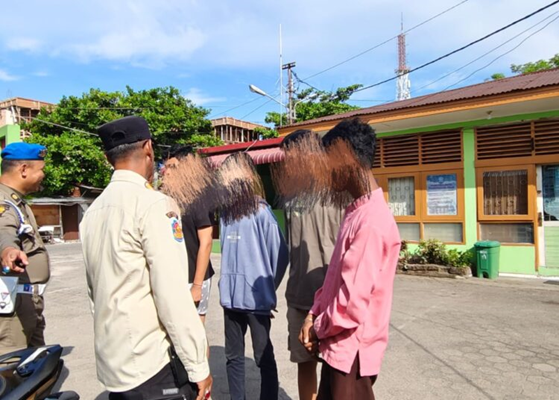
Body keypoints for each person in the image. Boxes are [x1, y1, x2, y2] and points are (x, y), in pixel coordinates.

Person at [80, 116, 212, 400]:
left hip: (114, 363)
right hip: (150, 363)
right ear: (148, 147)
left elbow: (95, 291)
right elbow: (172, 294)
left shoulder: (93, 212)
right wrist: (198, 365)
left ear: (107, 158)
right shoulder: (154, 204)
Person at [300, 118, 401, 400]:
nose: (324, 171)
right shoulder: (355, 212)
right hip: (339, 351)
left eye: (327, 160)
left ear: (346, 156)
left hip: (352, 354)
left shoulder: (370, 221)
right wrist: (313, 313)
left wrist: (317, 327)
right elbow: (335, 279)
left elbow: (351, 304)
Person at [218, 153, 289, 400]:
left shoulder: (261, 212)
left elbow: (280, 254)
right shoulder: (225, 214)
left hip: (256, 301)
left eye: (230, 173)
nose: (225, 180)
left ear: (246, 176)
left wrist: (267, 288)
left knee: (263, 357)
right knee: (233, 358)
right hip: (230, 299)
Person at [280, 130, 343, 400]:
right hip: (299, 297)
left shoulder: (339, 191)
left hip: (334, 299)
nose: (287, 163)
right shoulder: (290, 196)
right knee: (304, 363)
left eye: (290, 156)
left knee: (336, 367)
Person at [0, 142, 50, 355]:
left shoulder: (18, 202)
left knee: (35, 367)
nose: (43, 175)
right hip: (13, 308)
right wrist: (8, 251)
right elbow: (3, 230)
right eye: (41, 170)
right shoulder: (4, 203)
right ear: (23, 170)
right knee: (11, 373)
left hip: (27, 301)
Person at [162, 145, 215, 323]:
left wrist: (197, 286)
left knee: (195, 334)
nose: (167, 172)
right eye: (166, 167)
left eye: (173, 167)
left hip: (194, 278)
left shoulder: (198, 199)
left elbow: (206, 242)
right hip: (174, 278)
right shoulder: (167, 200)